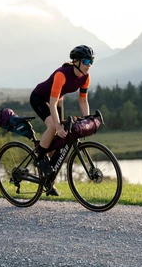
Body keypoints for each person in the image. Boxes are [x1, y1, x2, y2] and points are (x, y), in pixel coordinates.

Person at [30, 45, 95, 196]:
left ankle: (48, 180)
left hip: (58, 101)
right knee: (53, 127)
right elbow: (51, 103)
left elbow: (83, 101)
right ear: (77, 62)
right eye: (86, 61)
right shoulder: (62, 74)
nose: (89, 65)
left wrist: (87, 121)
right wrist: (58, 125)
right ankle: (40, 159)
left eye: (91, 62)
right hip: (40, 98)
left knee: (61, 139)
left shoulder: (86, 77)